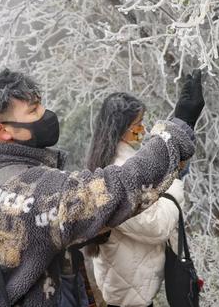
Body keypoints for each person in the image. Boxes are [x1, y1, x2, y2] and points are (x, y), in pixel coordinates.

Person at [0, 68, 205, 306]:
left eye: (40, 103)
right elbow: (120, 187)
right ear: (3, 130)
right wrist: (179, 126)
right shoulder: (29, 193)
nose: (45, 113)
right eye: (33, 110)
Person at [84, 91, 193, 307]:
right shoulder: (118, 171)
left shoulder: (114, 162)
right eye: (137, 124)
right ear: (120, 129)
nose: (143, 130)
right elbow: (156, 225)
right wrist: (175, 183)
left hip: (128, 285)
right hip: (128, 292)